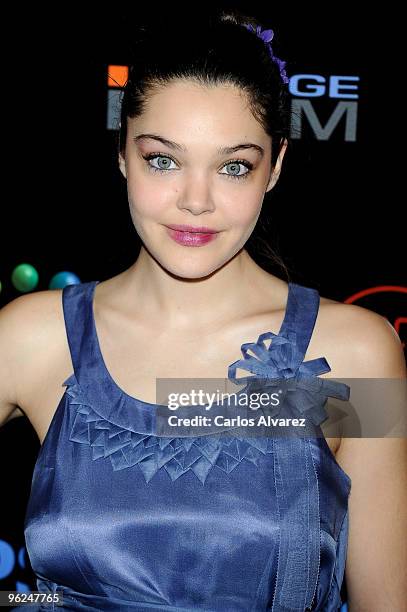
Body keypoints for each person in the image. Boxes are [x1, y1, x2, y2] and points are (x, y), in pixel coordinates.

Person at [1, 7, 406, 611]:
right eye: (163, 159)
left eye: (233, 166)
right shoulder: (31, 338)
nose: (196, 200)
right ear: (121, 154)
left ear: (276, 168)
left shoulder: (356, 354)